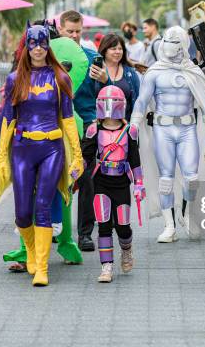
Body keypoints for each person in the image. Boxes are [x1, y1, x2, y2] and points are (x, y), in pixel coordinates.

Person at [0, 22, 83, 286]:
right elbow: (8, 119)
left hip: (51, 147)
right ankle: (29, 251)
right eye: (33, 43)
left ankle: (42, 267)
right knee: (22, 212)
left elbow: (68, 119)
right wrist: (2, 157)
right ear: (26, 47)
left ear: (48, 46)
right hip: (23, 149)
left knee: (42, 207)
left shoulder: (60, 77)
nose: (38, 48)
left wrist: (77, 155)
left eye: (42, 43)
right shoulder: (16, 79)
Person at [130, 26, 205, 243]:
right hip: (162, 128)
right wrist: (134, 123)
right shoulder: (155, 72)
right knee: (165, 178)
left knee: (191, 177)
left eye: (176, 42)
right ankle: (169, 225)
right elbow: (141, 100)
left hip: (187, 128)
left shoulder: (192, 72)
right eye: (168, 40)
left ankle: (187, 213)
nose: (171, 45)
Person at [74, 32, 141, 249]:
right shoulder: (91, 71)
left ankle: (120, 227)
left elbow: (135, 102)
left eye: (120, 47)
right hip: (97, 131)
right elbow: (87, 97)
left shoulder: (130, 74)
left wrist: (133, 128)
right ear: (103, 50)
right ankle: (88, 231)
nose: (117, 51)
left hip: (123, 135)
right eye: (112, 47)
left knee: (121, 181)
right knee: (90, 180)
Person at [81, 85, 144, 282]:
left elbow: (134, 159)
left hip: (122, 183)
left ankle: (126, 250)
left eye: (114, 102)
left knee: (123, 226)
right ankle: (106, 266)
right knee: (104, 225)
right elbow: (86, 155)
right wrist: (74, 171)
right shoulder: (94, 129)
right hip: (101, 182)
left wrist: (139, 184)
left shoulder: (130, 131)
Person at [59, 10, 99, 252]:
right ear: (60, 30)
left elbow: (104, 90)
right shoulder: (47, 56)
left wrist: (104, 79)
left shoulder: (91, 57)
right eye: (69, 31)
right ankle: (55, 226)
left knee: (85, 180)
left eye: (77, 31)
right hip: (53, 127)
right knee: (53, 179)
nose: (74, 36)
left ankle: (85, 233)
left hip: (85, 127)